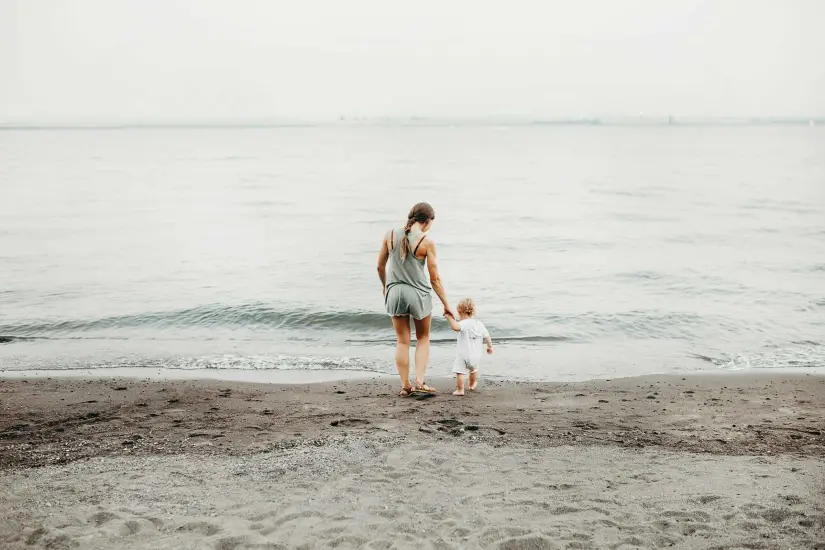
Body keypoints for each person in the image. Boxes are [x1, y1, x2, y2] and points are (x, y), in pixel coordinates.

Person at [377, 202, 454, 397]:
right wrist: (447, 304)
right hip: (418, 293)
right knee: (423, 338)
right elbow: (435, 278)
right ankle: (420, 381)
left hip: (395, 292)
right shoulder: (426, 242)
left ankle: (405, 385)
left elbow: (380, 267)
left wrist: (386, 287)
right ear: (427, 221)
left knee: (402, 341)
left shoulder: (390, 234)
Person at [444, 298, 493, 396]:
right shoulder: (479, 324)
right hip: (476, 356)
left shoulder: (463, 323)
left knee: (460, 372)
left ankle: (460, 390)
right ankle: (471, 385)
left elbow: (455, 327)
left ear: (460, 312)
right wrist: (489, 347)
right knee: (473, 370)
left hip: (463, 355)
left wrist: (448, 317)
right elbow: (487, 336)